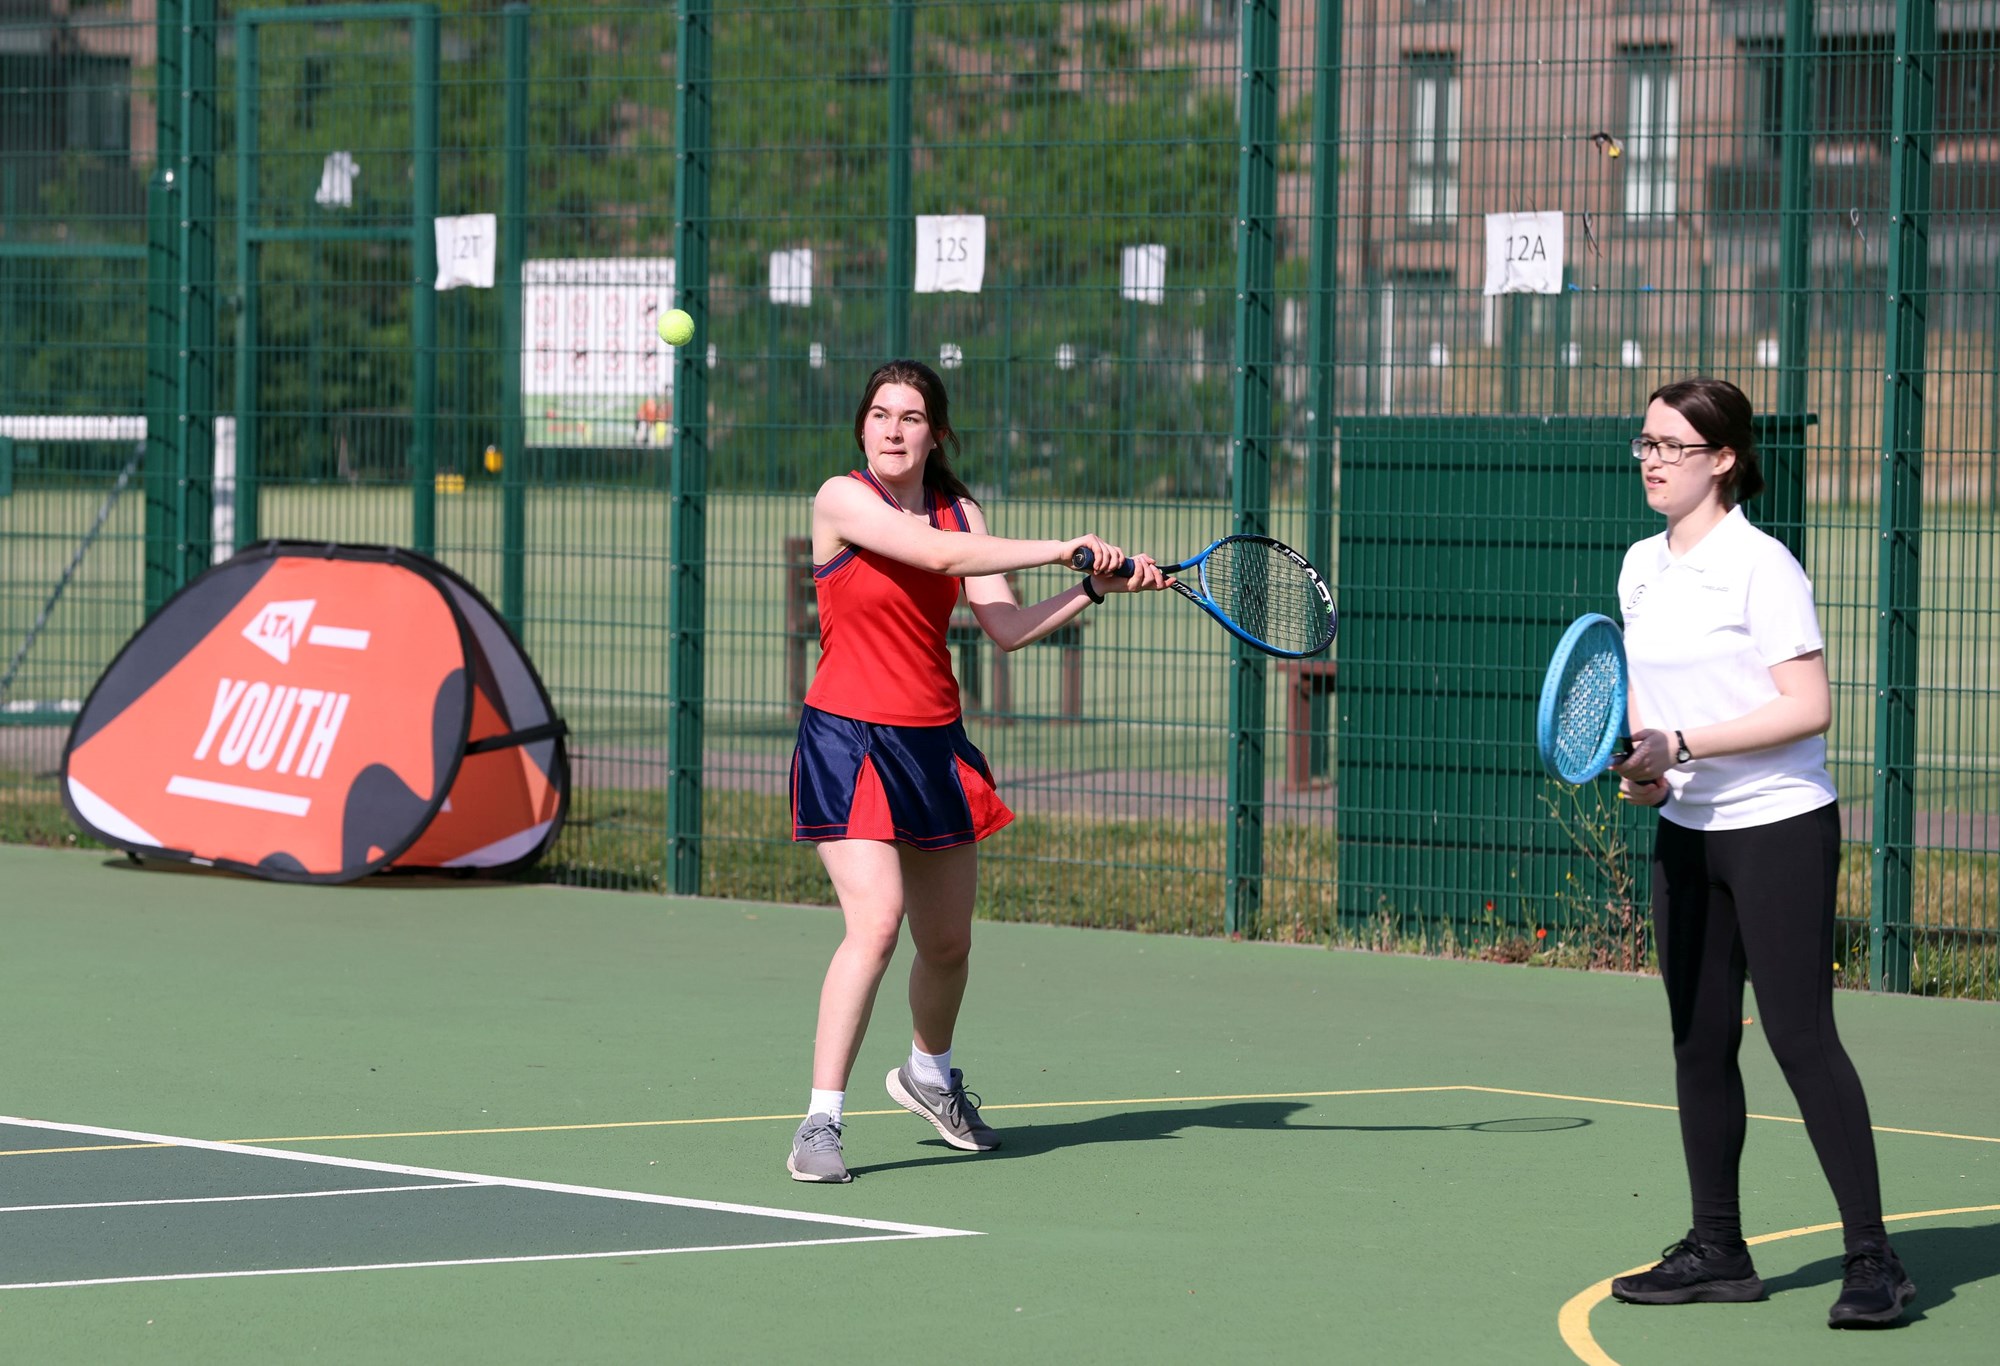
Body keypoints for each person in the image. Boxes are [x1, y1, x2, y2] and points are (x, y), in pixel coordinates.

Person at [785, 359, 1167, 1184]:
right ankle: (821, 1122)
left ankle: (929, 1075)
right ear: (862, 427)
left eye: (910, 417)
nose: (892, 429)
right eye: (879, 414)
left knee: (949, 943)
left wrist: (1091, 589)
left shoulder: (964, 510)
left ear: (936, 433)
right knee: (878, 922)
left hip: (934, 743)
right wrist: (1065, 545)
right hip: (848, 741)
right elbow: (936, 556)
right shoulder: (841, 499)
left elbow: (1005, 627)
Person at [1606, 377, 1913, 1328]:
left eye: (1672, 447)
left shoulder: (1761, 566)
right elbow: (1649, 701)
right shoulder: (1639, 566)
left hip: (1778, 826)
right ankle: (1718, 1250)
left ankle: (1876, 1261)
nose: (1653, 461)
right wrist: (1649, 771)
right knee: (1698, 1041)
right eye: (1644, 444)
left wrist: (1686, 746)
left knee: (1799, 1036)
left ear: (1725, 459)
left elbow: (1807, 707)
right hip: (1686, 833)